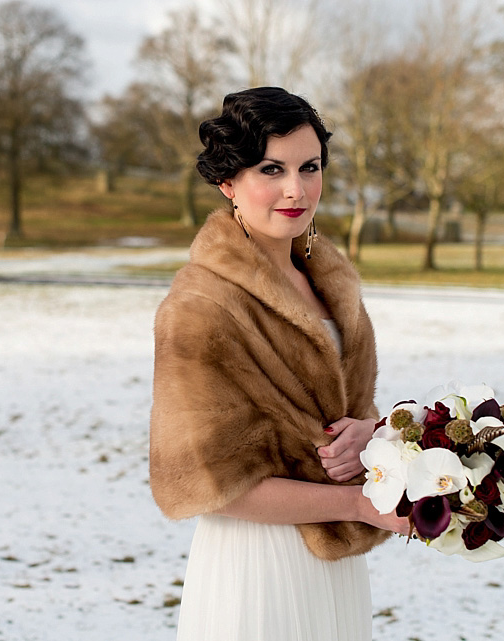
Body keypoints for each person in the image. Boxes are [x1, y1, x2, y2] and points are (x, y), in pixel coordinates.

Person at [149, 87, 410, 641]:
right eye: (271, 168)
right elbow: (208, 481)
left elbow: (339, 414)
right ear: (228, 182)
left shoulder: (331, 283)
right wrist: (358, 504)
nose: (296, 190)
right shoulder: (199, 308)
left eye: (309, 167)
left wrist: (374, 435)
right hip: (255, 567)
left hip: (336, 567)